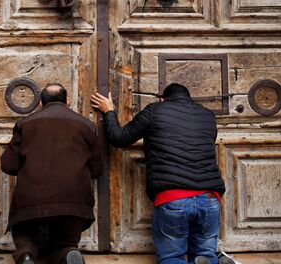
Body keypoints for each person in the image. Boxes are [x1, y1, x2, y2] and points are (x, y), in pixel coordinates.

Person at [91, 83, 227, 264]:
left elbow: (120, 137)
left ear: (163, 99)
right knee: (205, 254)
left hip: (173, 198)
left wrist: (109, 111)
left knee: (172, 257)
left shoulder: (155, 110)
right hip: (210, 198)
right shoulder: (207, 116)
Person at [1, 84, 103, 264]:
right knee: (64, 242)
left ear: (41, 103)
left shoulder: (25, 124)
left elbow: (8, 165)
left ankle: (26, 254)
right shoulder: (87, 126)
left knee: (26, 236)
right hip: (74, 202)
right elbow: (97, 170)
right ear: (67, 101)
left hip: (31, 200)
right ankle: (68, 253)